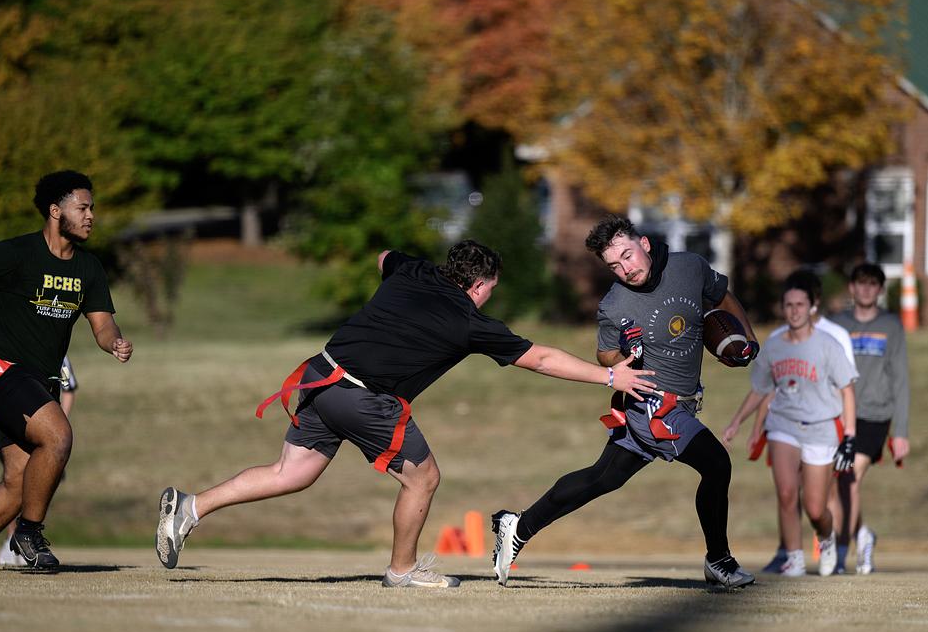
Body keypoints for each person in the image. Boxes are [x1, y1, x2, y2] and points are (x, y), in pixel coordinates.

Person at [155, 240, 656, 589]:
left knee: (292, 473)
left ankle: (190, 508)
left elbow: (384, 257)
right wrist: (613, 378)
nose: (489, 297)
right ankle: (402, 571)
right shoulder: (467, 320)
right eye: (491, 288)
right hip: (361, 396)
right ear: (479, 285)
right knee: (424, 478)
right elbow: (541, 358)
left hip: (320, 373)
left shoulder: (414, 269)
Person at [491, 215, 760, 590]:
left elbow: (722, 297)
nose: (625, 269)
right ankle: (719, 560)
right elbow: (604, 355)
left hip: (682, 402)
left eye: (628, 256)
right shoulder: (614, 304)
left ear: (645, 244)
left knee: (604, 477)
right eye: (614, 265)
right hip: (651, 402)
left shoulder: (690, 267)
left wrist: (746, 339)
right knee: (716, 464)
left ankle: (518, 525)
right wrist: (623, 356)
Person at [0, 171, 133, 573]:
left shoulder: (89, 269)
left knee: (20, 482)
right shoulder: (18, 253)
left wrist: (114, 341)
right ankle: (28, 532)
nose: (90, 215)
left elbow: (102, 325)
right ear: (54, 211)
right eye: (82, 207)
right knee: (59, 435)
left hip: (37, 381)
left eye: (91, 208)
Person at [723, 281, 857, 577]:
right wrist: (737, 422)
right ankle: (794, 558)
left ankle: (826, 537)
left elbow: (847, 390)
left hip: (821, 427)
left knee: (815, 508)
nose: (794, 310)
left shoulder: (827, 344)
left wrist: (849, 436)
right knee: (785, 493)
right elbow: (760, 389)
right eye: (788, 305)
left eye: (799, 304)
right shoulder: (774, 345)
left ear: (812, 307)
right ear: (783, 309)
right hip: (783, 424)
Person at [828, 262, 910, 574]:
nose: (866, 289)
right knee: (838, 483)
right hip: (840, 413)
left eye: (872, 284)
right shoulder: (837, 324)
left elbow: (901, 378)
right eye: (860, 283)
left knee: (850, 477)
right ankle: (863, 535)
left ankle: (842, 550)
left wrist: (900, 431)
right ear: (852, 288)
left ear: (879, 289)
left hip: (876, 414)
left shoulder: (892, 325)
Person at [0, 356, 77, 569]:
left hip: (47, 431)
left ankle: (27, 536)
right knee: (15, 483)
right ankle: (12, 540)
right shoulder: (10, 347)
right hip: (17, 428)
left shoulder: (58, 355)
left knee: (39, 486)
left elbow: (69, 388)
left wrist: (56, 427)